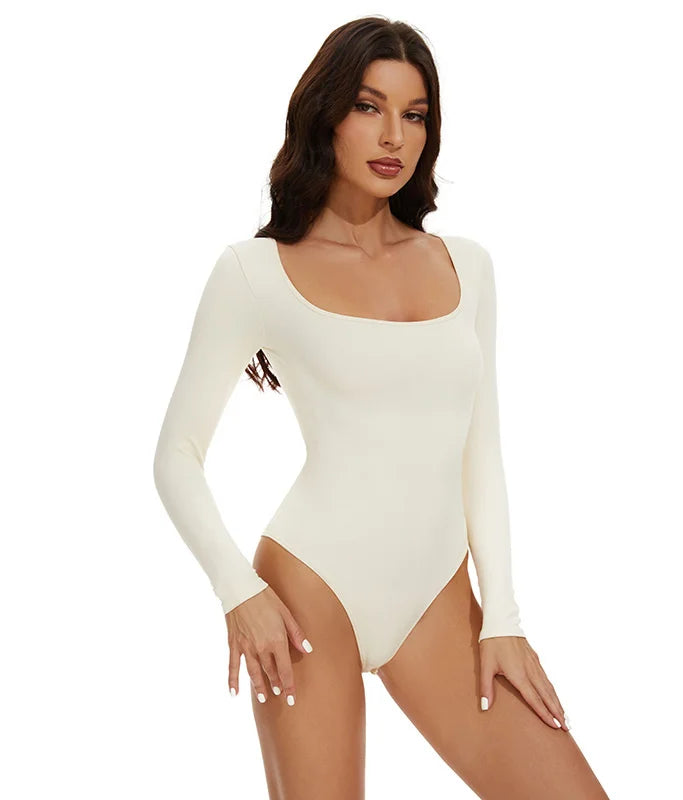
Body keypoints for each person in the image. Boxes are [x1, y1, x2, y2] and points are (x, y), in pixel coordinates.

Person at [153, 15, 610, 800]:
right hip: (307, 592)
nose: (395, 135)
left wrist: (503, 617)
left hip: (439, 599)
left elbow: (481, 451)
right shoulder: (254, 271)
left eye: (415, 114)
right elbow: (176, 455)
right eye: (369, 106)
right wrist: (238, 592)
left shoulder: (468, 267)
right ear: (326, 113)